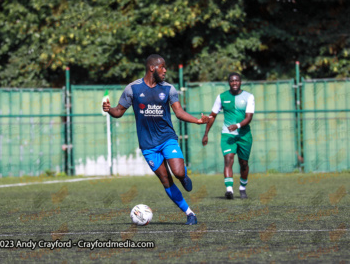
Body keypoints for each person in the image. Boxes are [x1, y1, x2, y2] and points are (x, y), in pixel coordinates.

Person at [102, 54, 210, 225]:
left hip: (167, 138)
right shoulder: (132, 89)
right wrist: (109, 110)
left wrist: (197, 120)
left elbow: (179, 112)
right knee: (166, 179)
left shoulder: (168, 89)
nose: (165, 70)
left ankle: (183, 177)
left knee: (178, 172)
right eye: (162, 67)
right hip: (148, 145)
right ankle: (190, 213)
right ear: (152, 68)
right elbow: (118, 111)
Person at [202, 72, 255, 199]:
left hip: (244, 135)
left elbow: (249, 118)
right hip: (228, 135)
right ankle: (229, 190)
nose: (234, 83)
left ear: (240, 82)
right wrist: (206, 133)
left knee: (243, 163)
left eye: (237, 80)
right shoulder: (222, 97)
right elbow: (212, 116)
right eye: (232, 81)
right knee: (228, 159)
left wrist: (237, 126)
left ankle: (242, 187)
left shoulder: (249, 97)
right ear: (229, 83)